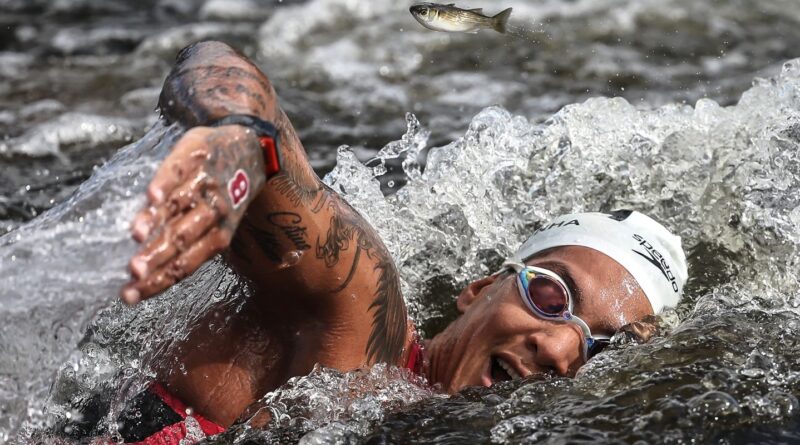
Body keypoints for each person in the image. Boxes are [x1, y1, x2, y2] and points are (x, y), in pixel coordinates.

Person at [112, 41, 688, 442]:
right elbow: (224, 68)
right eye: (552, 296)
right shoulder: (358, 316)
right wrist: (235, 131)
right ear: (479, 287)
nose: (562, 351)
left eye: (600, 348)